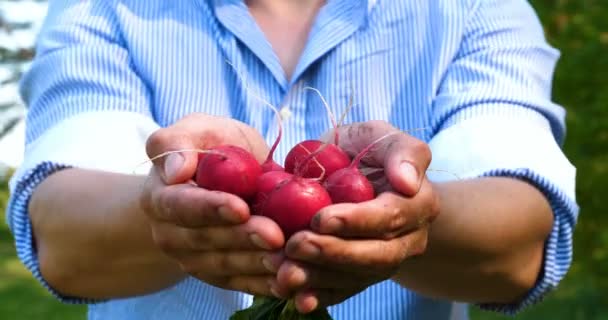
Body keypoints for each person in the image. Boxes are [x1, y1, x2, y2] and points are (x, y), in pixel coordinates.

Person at [6, 0, 579, 319]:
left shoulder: (475, 7)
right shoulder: (100, 8)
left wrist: (413, 219)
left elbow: (521, 243)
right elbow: (62, 238)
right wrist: (160, 209)